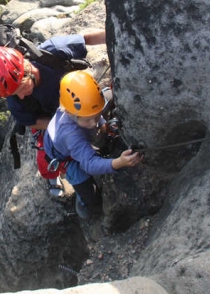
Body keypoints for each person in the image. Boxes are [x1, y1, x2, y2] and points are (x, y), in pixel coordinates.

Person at [42, 70, 143, 219]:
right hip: (65, 157)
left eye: (96, 117)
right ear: (70, 113)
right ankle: (83, 204)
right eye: (88, 119)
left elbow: (94, 115)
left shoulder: (82, 106)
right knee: (90, 196)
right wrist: (118, 163)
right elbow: (89, 164)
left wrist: (102, 125)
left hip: (67, 137)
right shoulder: (72, 136)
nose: (93, 122)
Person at [0, 29, 105, 130]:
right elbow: (32, 121)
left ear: (27, 70)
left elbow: (85, 38)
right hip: (61, 111)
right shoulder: (14, 97)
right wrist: (67, 125)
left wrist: (113, 36)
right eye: (15, 93)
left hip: (82, 90)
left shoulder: (51, 53)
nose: (21, 96)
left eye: (22, 88)